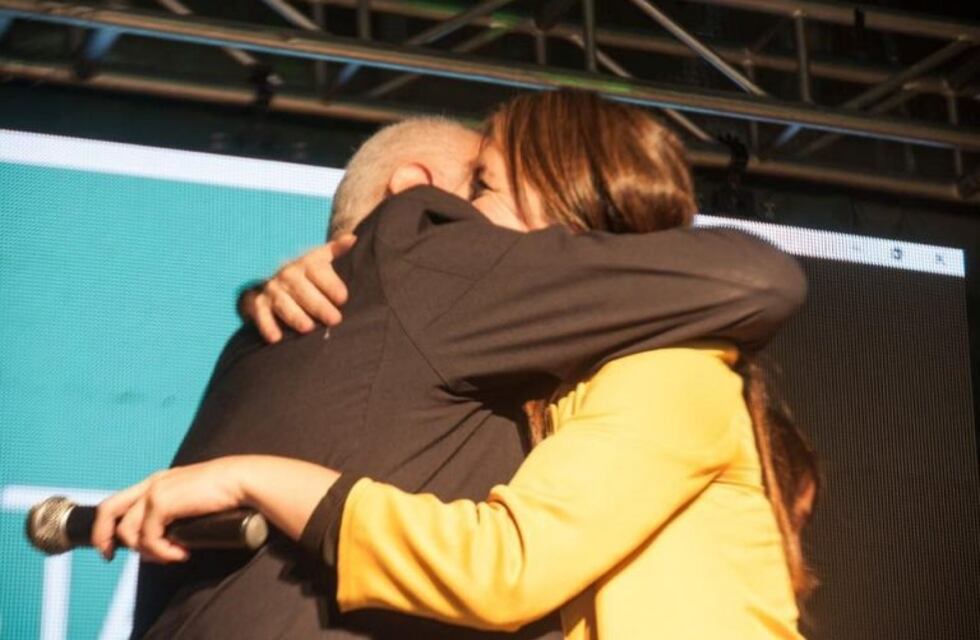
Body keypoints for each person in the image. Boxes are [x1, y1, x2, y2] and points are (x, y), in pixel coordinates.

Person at [96, 91, 807, 639]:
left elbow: (506, 566)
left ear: (573, 216)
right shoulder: (504, 354)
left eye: (482, 191)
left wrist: (257, 478)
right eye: (451, 202)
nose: (454, 223)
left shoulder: (664, 369)